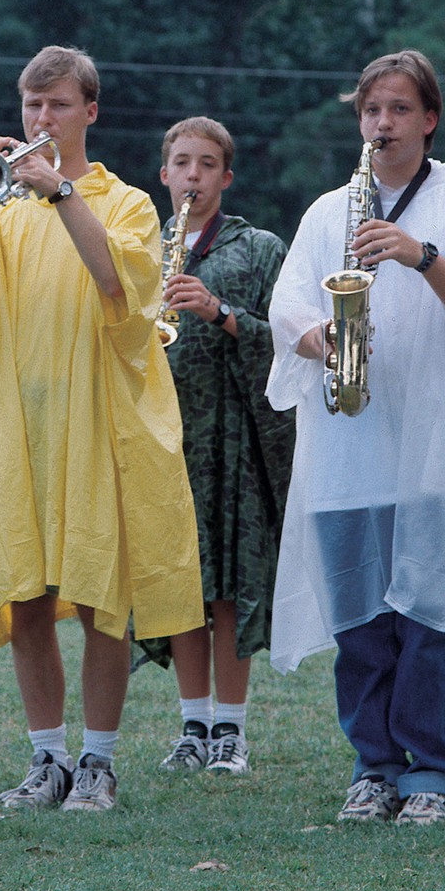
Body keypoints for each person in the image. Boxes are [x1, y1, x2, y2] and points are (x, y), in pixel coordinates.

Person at [266, 48, 445, 826]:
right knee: (361, 624)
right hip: (351, 443)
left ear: (430, 119)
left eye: (401, 109)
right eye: (372, 110)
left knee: (428, 618)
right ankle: (373, 766)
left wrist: (420, 254)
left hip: (437, 446)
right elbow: (290, 311)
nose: (383, 123)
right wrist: (326, 344)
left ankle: (433, 773)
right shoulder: (325, 213)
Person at [0, 45, 204, 814]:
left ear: (90, 112)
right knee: (27, 594)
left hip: (96, 422)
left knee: (104, 595)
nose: (43, 119)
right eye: (33, 106)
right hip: (16, 426)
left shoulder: (125, 201)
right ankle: (46, 759)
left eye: (59, 106)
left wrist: (60, 189)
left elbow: (118, 283)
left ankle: (98, 763)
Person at [135, 116, 294, 776]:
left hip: (231, 437)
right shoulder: (138, 248)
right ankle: (193, 725)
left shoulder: (257, 248)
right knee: (179, 586)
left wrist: (220, 313)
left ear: (226, 177)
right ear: (164, 173)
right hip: (162, 440)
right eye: (182, 163)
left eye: (206, 164)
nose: (193, 176)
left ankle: (231, 729)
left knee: (229, 584)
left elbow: (288, 341)